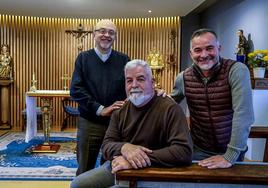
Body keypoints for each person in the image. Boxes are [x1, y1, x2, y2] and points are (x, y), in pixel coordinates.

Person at [70, 59, 193, 188]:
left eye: (140, 79)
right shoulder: (120, 110)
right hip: (120, 166)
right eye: (129, 80)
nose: (134, 85)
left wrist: (137, 159)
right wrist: (125, 147)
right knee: (78, 184)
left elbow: (183, 152)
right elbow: (106, 146)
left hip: (155, 168)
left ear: (152, 83)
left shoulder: (170, 109)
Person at [171, 28, 254, 169]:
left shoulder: (236, 70)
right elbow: (170, 103)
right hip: (198, 150)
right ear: (191, 54)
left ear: (219, 48)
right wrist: (154, 97)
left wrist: (229, 156)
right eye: (197, 50)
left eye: (209, 48)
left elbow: (244, 114)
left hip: (231, 151)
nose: (204, 55)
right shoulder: (183, 77)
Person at [70, 19, 130, 175]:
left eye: (111, 32)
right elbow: (76, 89)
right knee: (84, 168)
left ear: (115, 37)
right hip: (90, 122)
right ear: (94, 34)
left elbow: (132, 86)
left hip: (117, 123)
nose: (106, 35)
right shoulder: (83, 58)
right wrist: (100, 109)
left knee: (112, 169)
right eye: (102, 31)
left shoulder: (124, 60)